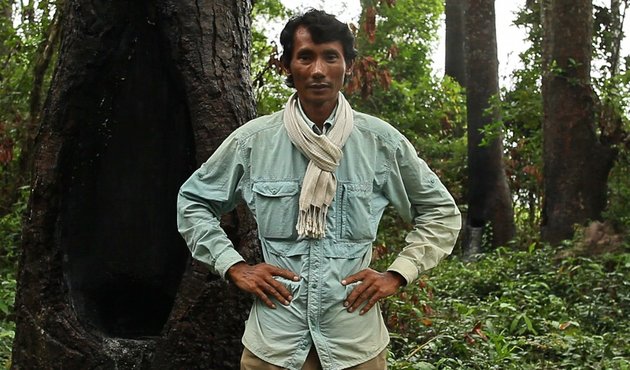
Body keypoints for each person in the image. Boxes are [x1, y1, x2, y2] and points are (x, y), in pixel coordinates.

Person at [177, 9, 461, 370]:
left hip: (355, 345)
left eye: (330, 56)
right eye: (305, 57)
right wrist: (233, 266)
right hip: (275, 347)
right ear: (286, 66)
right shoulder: (253, 143)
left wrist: (398, 272)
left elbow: (441, 212)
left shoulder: (379, 143)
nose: (317, 70)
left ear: (348, 65)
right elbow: (193, 202)